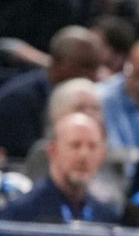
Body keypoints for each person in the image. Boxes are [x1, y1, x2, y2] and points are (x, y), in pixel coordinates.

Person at [0, 25, 104, 161]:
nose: (93, 76)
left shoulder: (90, 99)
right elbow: (28, 160)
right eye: (85, 66)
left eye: (96, 68)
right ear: (57, 61)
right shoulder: (17, 102)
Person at [0, 111, 117, 223]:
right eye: (75, 145)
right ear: (52, 151)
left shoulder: (106, 218)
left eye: (92, 147)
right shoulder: (20, 215)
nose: (84, 156)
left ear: (102, 155)